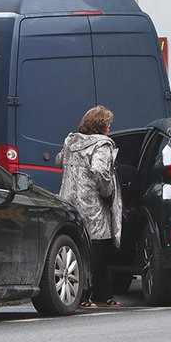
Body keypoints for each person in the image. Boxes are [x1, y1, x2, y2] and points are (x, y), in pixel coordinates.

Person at [56, 105, 123, 307]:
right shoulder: (102, 145)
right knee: (98, 250)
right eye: (108, 125)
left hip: (69, 201)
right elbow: (100, 171)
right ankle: (90, 296)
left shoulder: (71, 141)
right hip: (92, 204)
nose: (110, 129)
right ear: (102, 127)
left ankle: (97, 294)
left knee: (77, 247)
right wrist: (108, 192)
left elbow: (60, 161)